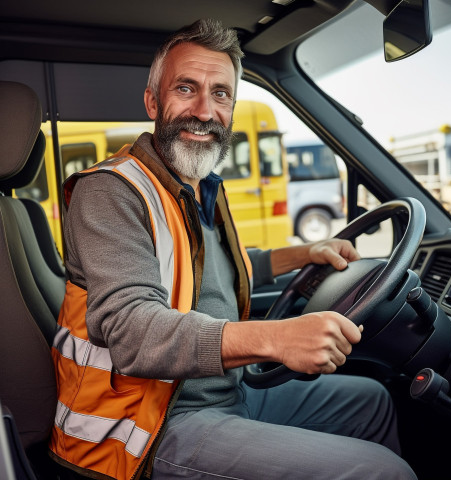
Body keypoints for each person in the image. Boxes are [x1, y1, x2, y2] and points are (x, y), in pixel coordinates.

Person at [49, 18, 417, 480]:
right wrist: (277, 339)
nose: (205, 110)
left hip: (225, 390)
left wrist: (304, 254)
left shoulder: (200, 187)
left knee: (371, 402)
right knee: (383, 471)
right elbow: (130, 330)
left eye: (221, 94)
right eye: (186, 88)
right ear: (152, 102)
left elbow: (223, 274)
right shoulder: (111, 191)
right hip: (146, 425)